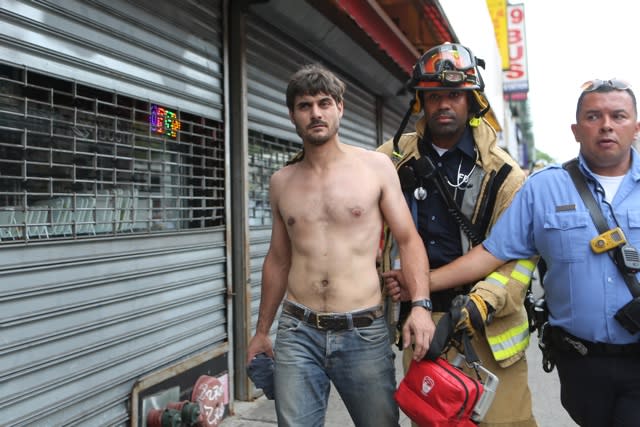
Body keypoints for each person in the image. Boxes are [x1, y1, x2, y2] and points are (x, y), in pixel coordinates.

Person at [429, 78, 640, 427]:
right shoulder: (543, 188)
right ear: (576, 129)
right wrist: (423, 283)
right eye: (593, 116)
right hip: (580, 362)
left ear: (635, 127)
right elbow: (492, 253)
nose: (606, 125)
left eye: (618, 116)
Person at [246, 63, 435, 427]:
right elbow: (278, 260)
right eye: (305, 106)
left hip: (362, 331)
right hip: (298, 331)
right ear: (292, 115)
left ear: (340, 108)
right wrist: (261, 331)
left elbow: (409, 241)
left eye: (324, 103)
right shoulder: (281, 181)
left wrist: (421, 305)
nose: (316, 113)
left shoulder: (376, 168)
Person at [377, 43, 537, 427]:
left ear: (472, 101)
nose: (444, 104)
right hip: (420, 327)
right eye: (433, 96)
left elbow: (517, 257)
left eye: (454, 95)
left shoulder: (505, 174)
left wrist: (478, 302)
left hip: (487, 328)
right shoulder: (388, 161)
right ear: (420, 102)